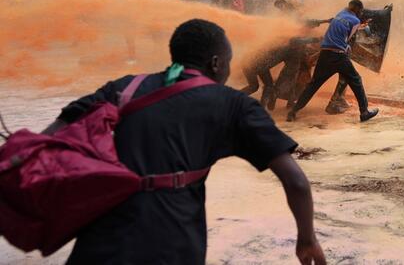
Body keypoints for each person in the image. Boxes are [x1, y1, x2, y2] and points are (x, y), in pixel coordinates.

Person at [40, 19, 326, 264]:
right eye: (228, 62)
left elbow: (51, 136)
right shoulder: (232, 104)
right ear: (215, 64)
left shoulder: (126, 87)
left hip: (101, 240)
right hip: (172, 242)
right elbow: (296, 181)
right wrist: (306, 239)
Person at [287, 0, 380, 123]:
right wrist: (361, 24)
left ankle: (293, 112)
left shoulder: (340, 13)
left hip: (325, 54)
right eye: (360, 10)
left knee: (313, 85)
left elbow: (341, 27)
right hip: (339, 56)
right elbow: (348, 40)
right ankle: (364, 112)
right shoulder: (355, 21)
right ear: (357, 10)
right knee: (356, 80)